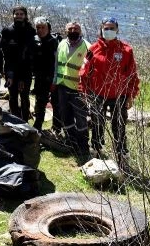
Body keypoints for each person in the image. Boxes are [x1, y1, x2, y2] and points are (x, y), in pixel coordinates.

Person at [79, 17, 140, 166]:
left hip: (119, 95)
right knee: (97, 123)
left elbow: (132, 74)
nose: (109, 31)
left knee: (118, 126)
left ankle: (122, 155)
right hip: (97, 94)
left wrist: (131, 95)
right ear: (101, 29)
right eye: (106, 28)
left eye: (112, 28)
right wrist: (84, 92)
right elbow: (84, 72)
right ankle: (96, 149)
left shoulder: (126, 50)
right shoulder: (93, 49)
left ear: (117, 30)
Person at [53, 22, 90, 160]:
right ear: (65, 30)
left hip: (78, 89)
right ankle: (71, 141)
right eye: (70, 29)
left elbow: (90, 70)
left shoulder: (87, 46)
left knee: (81, 119)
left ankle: (83, 147)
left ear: (80, 31)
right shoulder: (61, 43)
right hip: (62, 86)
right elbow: (57, 64)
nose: (73, 31)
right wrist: (54, 81)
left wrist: (86, 89)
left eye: (76, 29)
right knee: (65, 116)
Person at [2, 5, 36, 121]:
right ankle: (14, 122)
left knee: (25, 97)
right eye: (16, 14)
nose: (19, 16)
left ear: (25, 16)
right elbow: (6, 55)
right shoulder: (7, 31)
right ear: (13, 15)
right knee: (12, 97)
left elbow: (31, 56)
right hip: (11, 70)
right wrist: (9, 74)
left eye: (21, 14)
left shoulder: (31, 31)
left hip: (25, 71)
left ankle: (25, 122)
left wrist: (23, 77)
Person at [31, 16, 62, 131]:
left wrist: (55, 80)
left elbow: (58, 63)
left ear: (48, 28)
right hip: (40, 78)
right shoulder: (34, 41)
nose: (40, 30)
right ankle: (38, 126)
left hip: (54, 78)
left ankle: (57, 128)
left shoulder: (54, 41)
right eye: (38, 27)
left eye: (43, 27)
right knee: (40, 103)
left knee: (56, 104)